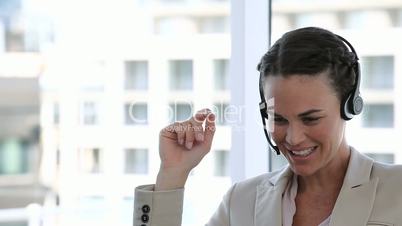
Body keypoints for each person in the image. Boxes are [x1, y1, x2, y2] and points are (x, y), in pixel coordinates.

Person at [133, 27, 402, 226]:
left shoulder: (396, 189)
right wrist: (172, 175)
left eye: (310, 118)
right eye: (279, 119)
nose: (294, 138)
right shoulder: (241, 202)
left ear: (350, 106)